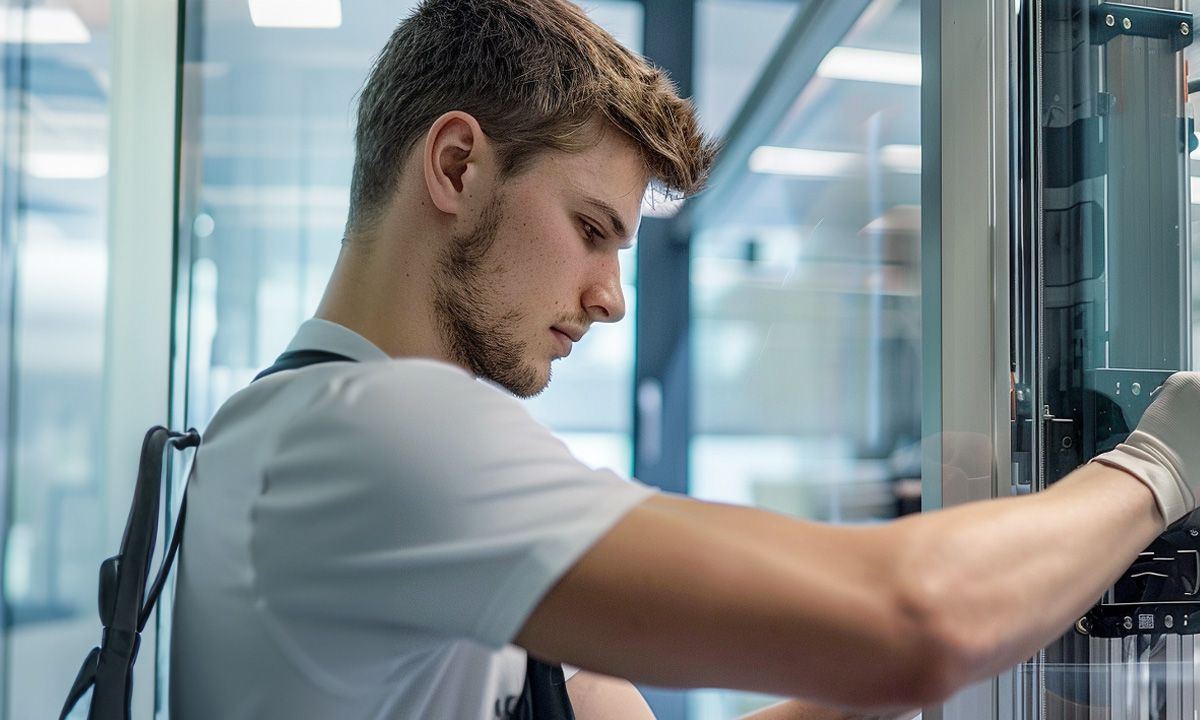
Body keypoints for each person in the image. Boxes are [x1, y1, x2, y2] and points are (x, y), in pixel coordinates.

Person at [168, 0, 1200, 718]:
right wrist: (1158, 468)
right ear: (455, 166)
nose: (611, 299)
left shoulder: (290, 437)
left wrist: (990, 591)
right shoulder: (375, 434)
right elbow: (912, 621)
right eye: (589, 228)